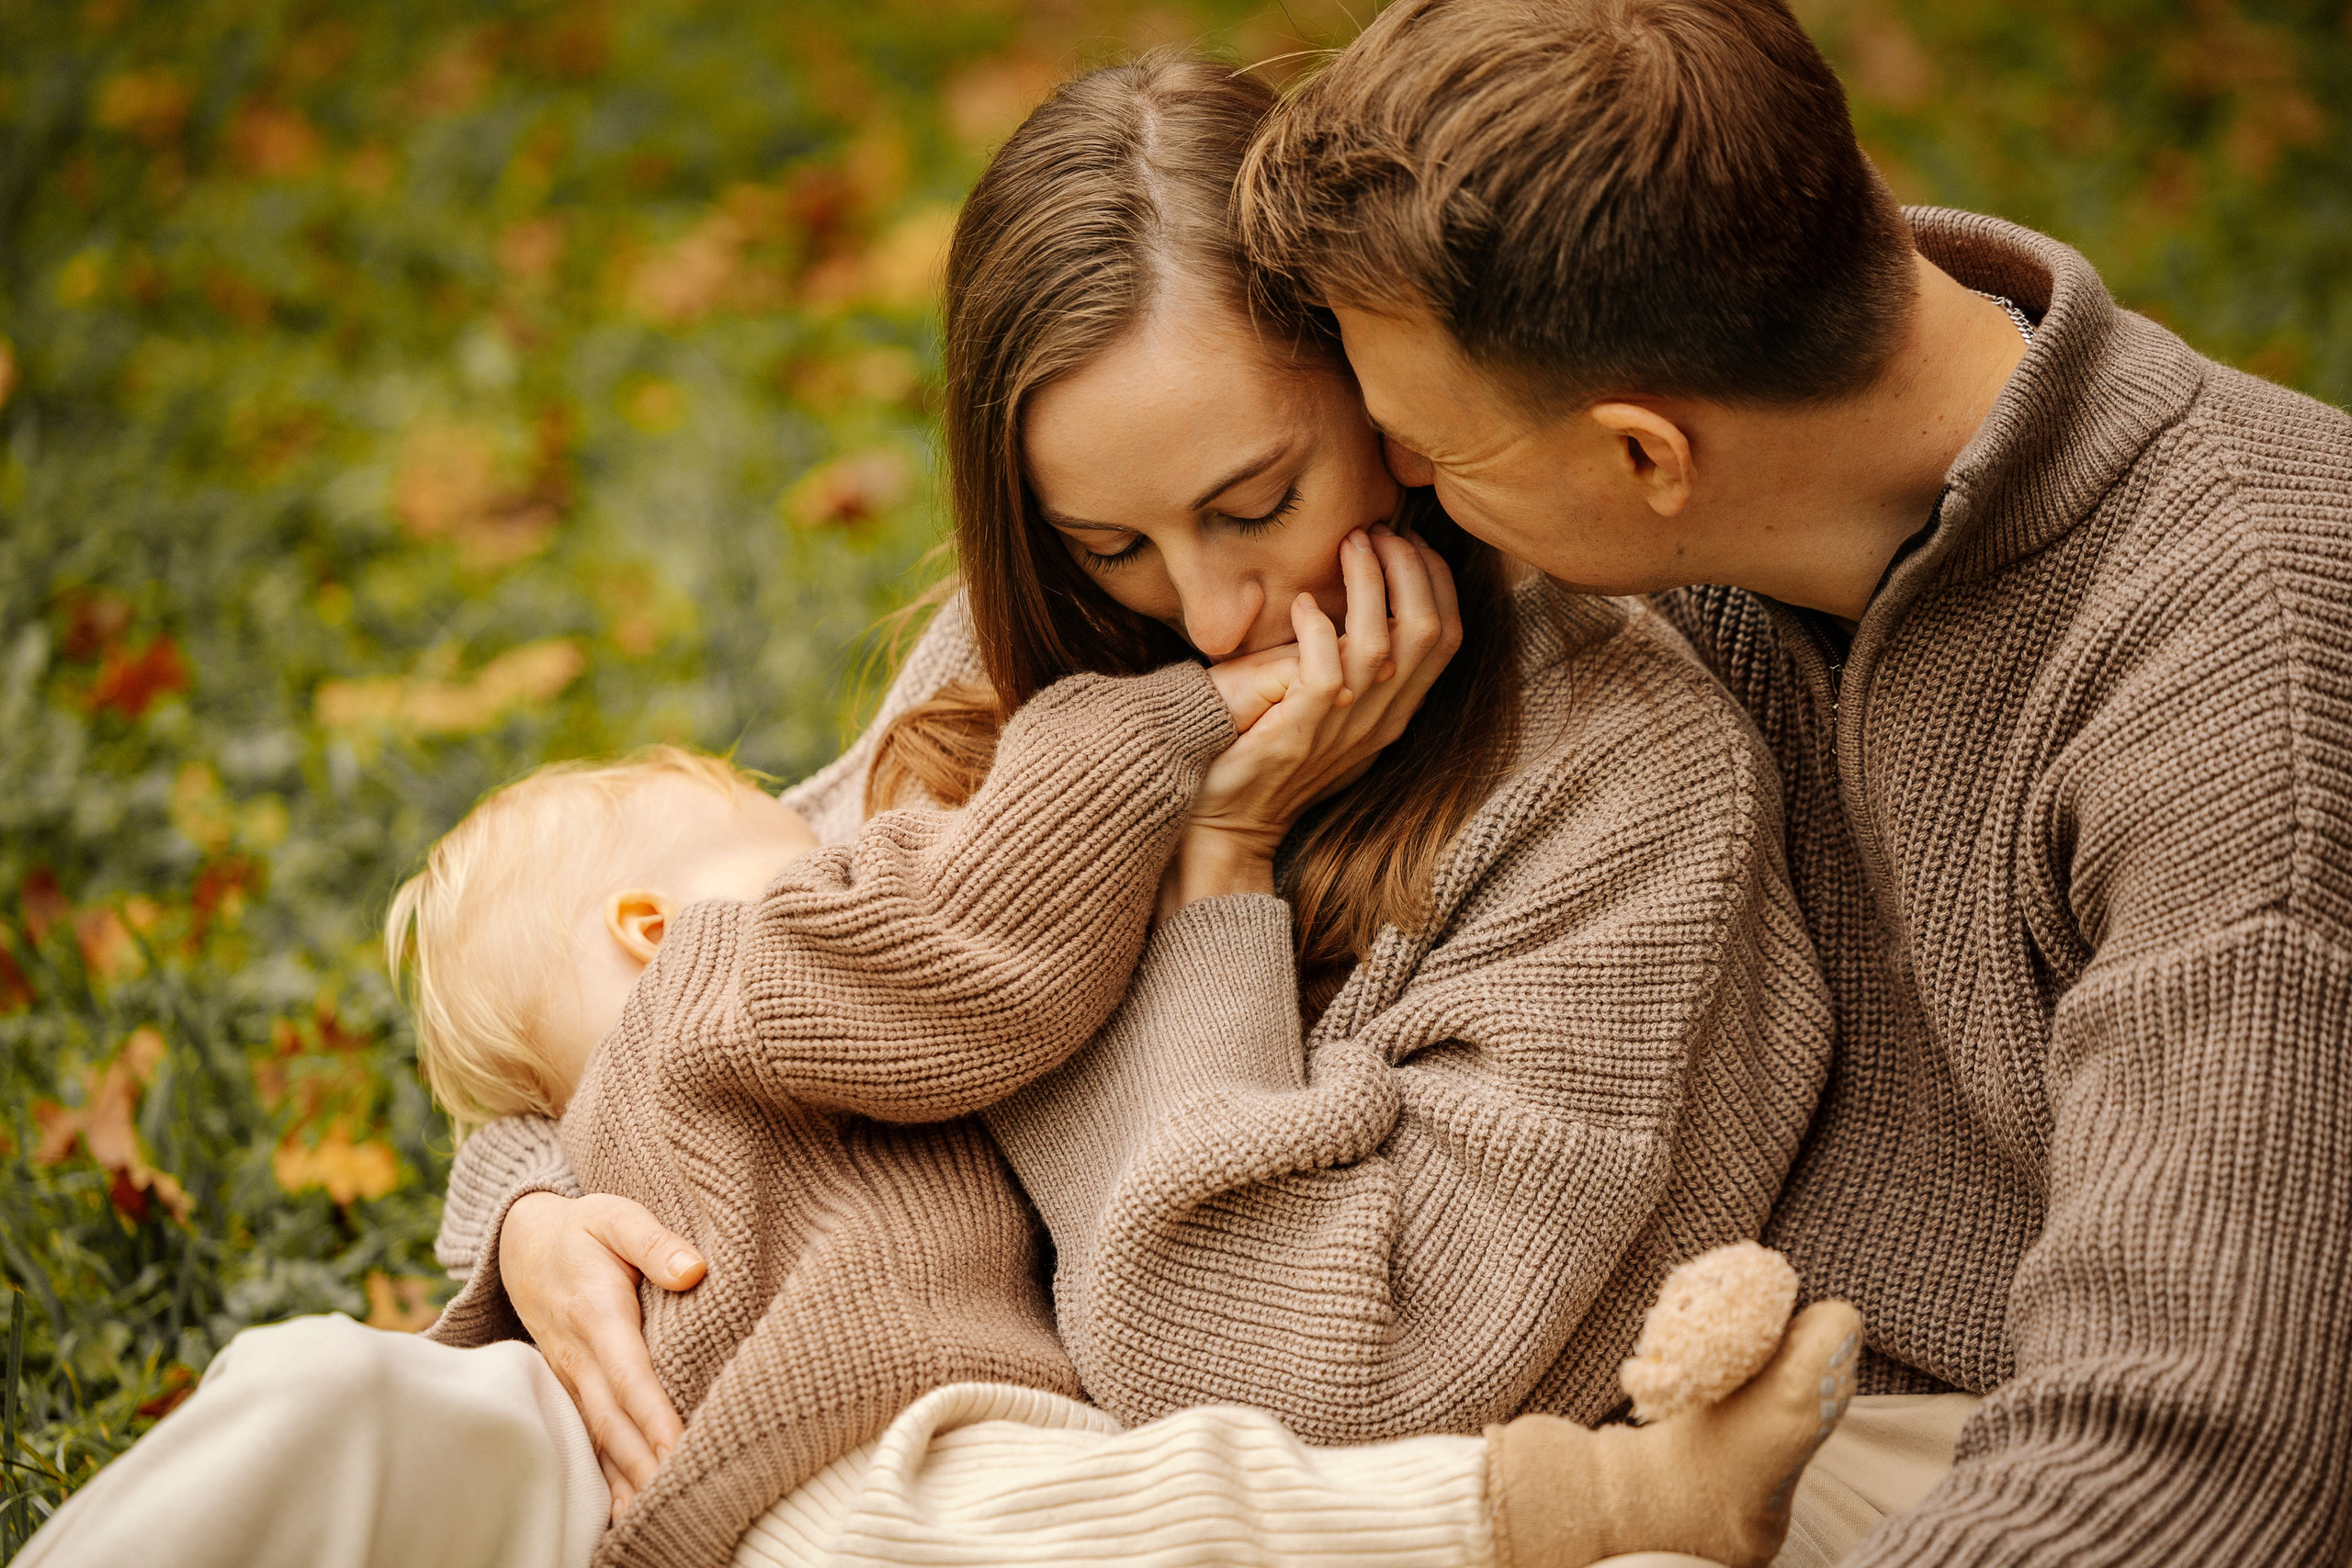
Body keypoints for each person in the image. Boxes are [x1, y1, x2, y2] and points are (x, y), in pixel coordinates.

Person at [437, 50, 1839, 1566]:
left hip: (1228, 1511)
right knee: (309, 1401)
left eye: (1258, 506)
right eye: (1113, 542)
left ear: (1388, 412)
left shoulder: (1619, 785)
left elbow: (1304, 1387)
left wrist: (1216, 871)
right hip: (855, 1435)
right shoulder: (1058, 666)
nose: (1215, 614)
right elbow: (715, 965)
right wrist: (535, 1217)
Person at [1235, 0, 2352, 1562]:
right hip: (1598, 1417)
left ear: (1647, 457)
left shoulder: (2252, 680)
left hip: (1966, 1467)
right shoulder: (1687, 490)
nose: (1402, 491)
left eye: (1430, 452)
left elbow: (2188, 1463)